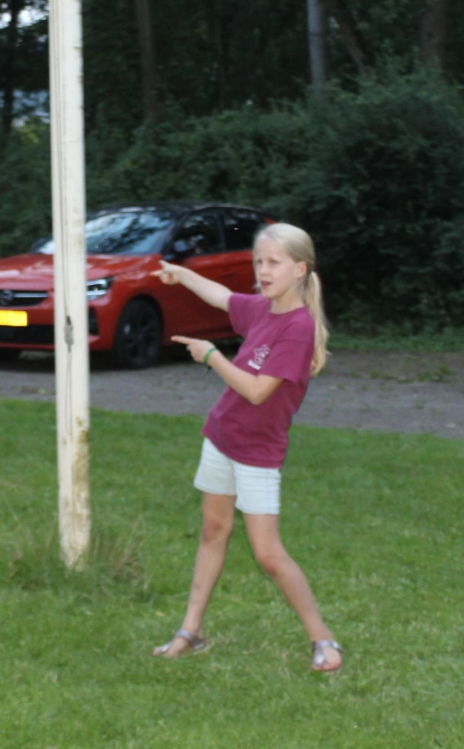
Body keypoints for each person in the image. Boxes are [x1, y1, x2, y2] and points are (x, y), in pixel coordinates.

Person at [149, 222, 343, 673]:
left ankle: (324, 640)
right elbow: (220, 296)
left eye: (273, 262)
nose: (263, 270)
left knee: (268, 554)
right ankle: (189, 631)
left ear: (299, 269)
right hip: (222, 437)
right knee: (213, 533)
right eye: (259, 261)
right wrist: (181, 274)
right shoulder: (261, 310)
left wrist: (213, 356)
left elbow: (257, 391)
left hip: (257, 452)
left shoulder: (298, 327)